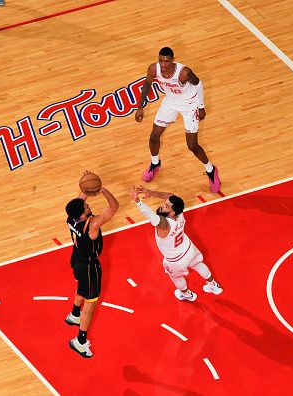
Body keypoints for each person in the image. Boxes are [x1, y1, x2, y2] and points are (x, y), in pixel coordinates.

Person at [134, 46, 221, 193]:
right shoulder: (153, 69)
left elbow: (199, 84)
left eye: (166, 61)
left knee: (192, 145)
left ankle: (211, 170)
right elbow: (147, 85)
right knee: (154, 135)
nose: (163, 65)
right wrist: (140, 106)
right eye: (161, 61)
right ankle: (155, 164)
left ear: (173, 60)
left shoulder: (184, 72)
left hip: (190, 104)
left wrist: (201, 107)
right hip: (171, 101)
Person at [129, 185, 222, 301]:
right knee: (199, 265)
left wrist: (137, 201)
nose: (162, 206)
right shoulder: (179, 212)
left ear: (172, 213)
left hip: (176, 260)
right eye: (165, 204)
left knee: (176, 277)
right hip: (189, 248)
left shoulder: (164, 224)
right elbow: (170, 196)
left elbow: (150, 215)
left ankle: (186, 294)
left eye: (166, 206)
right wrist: (151, 192)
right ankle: (214, 285)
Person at [64, 173, 119, 358]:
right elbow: (114, 207)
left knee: (81, 287)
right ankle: (80, 341)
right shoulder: (92, 225)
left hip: (76, 259)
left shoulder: (71, 218)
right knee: (91, 302)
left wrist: (87, 188)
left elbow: (80, 199)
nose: (89, 205)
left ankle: (73, 314)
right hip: (89, 266)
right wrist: (101, 189)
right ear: (82, 213)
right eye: (87, 206)